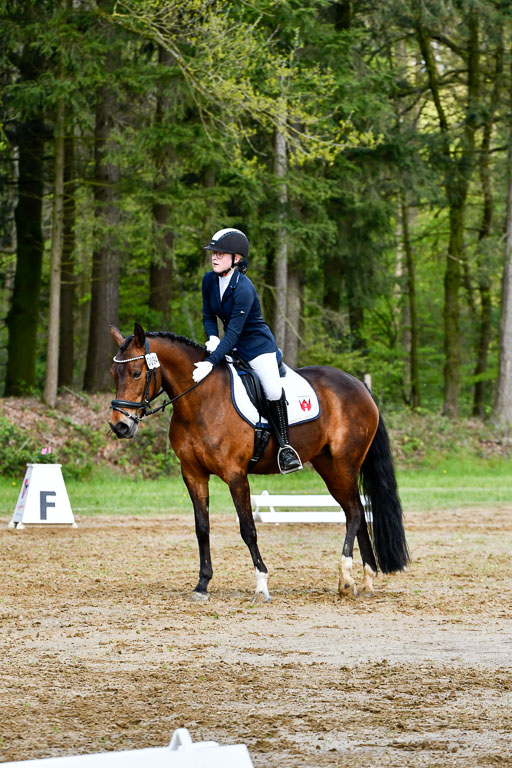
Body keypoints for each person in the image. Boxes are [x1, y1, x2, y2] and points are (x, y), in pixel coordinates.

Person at [192, 227, 302, 474]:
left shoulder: (244, 288)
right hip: (231, 347)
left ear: (236, 258)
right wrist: (211, 336)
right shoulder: (209, 280)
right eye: (213, 253)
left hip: (256, 347)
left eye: (221, 253)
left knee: (273, 389)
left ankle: (285, 447)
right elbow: (208, 315)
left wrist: (211, 361)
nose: (214, 257)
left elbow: (234, 333)